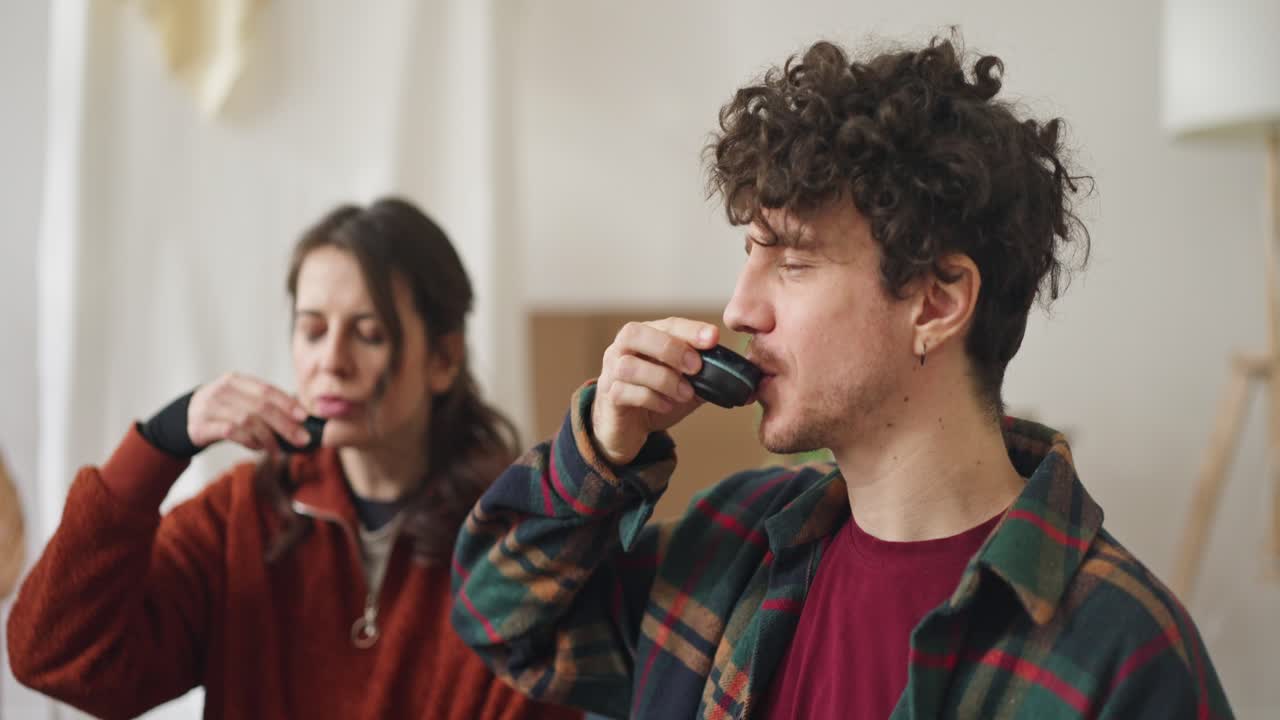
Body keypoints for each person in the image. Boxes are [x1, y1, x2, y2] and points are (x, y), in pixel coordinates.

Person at [450, 36, 1233, 719]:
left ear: (937, 300)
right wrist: (599, 454)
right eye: (748, 255)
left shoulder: (1122, 651)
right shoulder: (733, 542)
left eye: (792, 262)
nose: (739, 308)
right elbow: (502, 622)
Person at [8, 198, 581, 720]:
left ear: (444, 358)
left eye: (369, 333)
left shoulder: (517, 537)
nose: (331, 361)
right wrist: (158, 445)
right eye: (312, 330)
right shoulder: (240, 517)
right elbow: (53, 655)